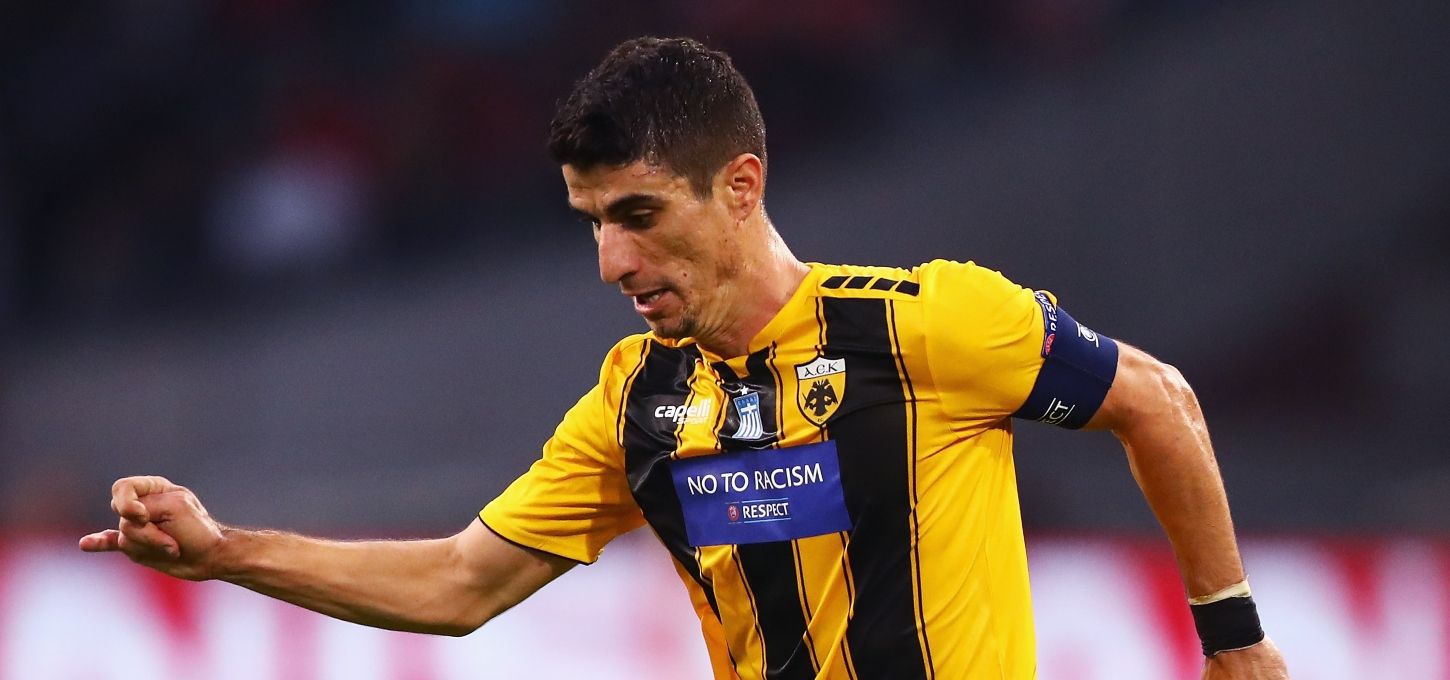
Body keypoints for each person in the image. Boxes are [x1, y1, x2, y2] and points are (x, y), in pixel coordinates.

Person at [80, 37, 1289, 679]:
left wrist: (1230, 633)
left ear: (740, 185)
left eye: (639, 215)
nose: (612, 259)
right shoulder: (638, 399)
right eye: (591, 222)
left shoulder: (925, 322)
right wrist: (225, 552)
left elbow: (1157, 400)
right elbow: (459, 584)